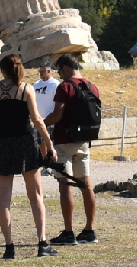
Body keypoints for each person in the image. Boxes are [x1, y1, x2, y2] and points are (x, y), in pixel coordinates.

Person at [0, 54, 60, 258]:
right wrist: (49, 144)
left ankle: (9, 247)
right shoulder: (26, 88)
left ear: (3, 70)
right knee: (35, 195)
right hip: (25, 143)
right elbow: (36, 119)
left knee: (3, 198)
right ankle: (42, 243)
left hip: (3, 143)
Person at [43, 54, 100, 246]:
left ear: (66, 68)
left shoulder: (65, 87)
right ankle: (90, 230)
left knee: (65, 184)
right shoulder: (92, 87)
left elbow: (57, 115)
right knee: (86, 185)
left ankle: (68, 232)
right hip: (84, 141)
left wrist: (43, 122)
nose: (59, 74)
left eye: (59, 70)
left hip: (65, 141)